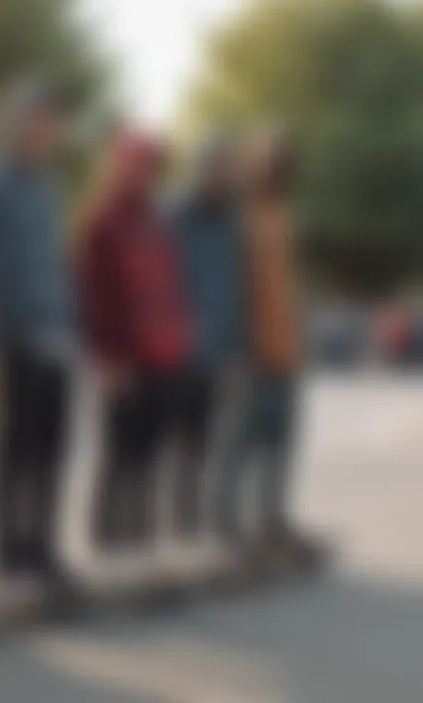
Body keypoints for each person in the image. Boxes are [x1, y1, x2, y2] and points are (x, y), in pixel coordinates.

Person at [78, 131, 195, 555]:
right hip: (124, 361)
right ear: (120, 168)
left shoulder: (160, 223)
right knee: (119, 455)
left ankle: (139, 539)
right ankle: (107, 541)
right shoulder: (103, 223)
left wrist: (181, 339)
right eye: (139, 165)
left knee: (150, 454)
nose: (146, 175)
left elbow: (173, 289)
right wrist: (108, 360)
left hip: (164, 355)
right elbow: (94, 299)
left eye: (153, 167)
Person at [216, 128, 322, 570]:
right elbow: (229, 289)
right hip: (253, 349)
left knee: (281, 442)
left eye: (282, 159)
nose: (275, 166)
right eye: (267, 158)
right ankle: (226, 524)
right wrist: (237, 344)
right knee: (240, 442)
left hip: (288, 349)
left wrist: (301, 339)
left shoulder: (285, 213)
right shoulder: (239, 216)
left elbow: (290, 285)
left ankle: (271, 519)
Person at [0, 82, 75, 585]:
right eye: (38, 119)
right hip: (13, 338)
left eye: (53, 122)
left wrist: (68, 320)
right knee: (13, 448)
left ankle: (41, 544)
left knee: (52, 447)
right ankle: (5, 549)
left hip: (54, 334)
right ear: (18, 124)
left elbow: (53, 263)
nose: (46, 129)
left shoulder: (49, 187)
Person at [169, 136, 248, 536]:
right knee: (172, 447)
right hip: (177, 351)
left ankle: (191, 524)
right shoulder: (175, 216)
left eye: (232, 170)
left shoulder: (232, 222)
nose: (229, 177)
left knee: (201, 445)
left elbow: (235, 290)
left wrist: (236, 350)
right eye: (222, 169)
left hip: (217, 352)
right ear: (202, 170)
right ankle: (168, 529)